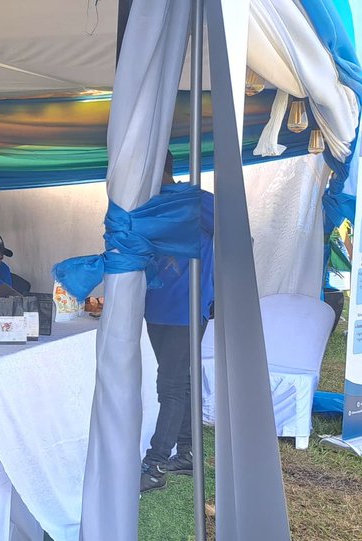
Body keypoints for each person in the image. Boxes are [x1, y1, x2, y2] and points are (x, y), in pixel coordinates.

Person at [140, 150, 215, 492]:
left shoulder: (197, 200)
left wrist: (214, 289)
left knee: (170, 386)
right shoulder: (145, 204)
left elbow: (239, 236)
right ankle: (186, 454)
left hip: (185, 310)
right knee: (178, 383)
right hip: (157, 308)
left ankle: (155, 465)